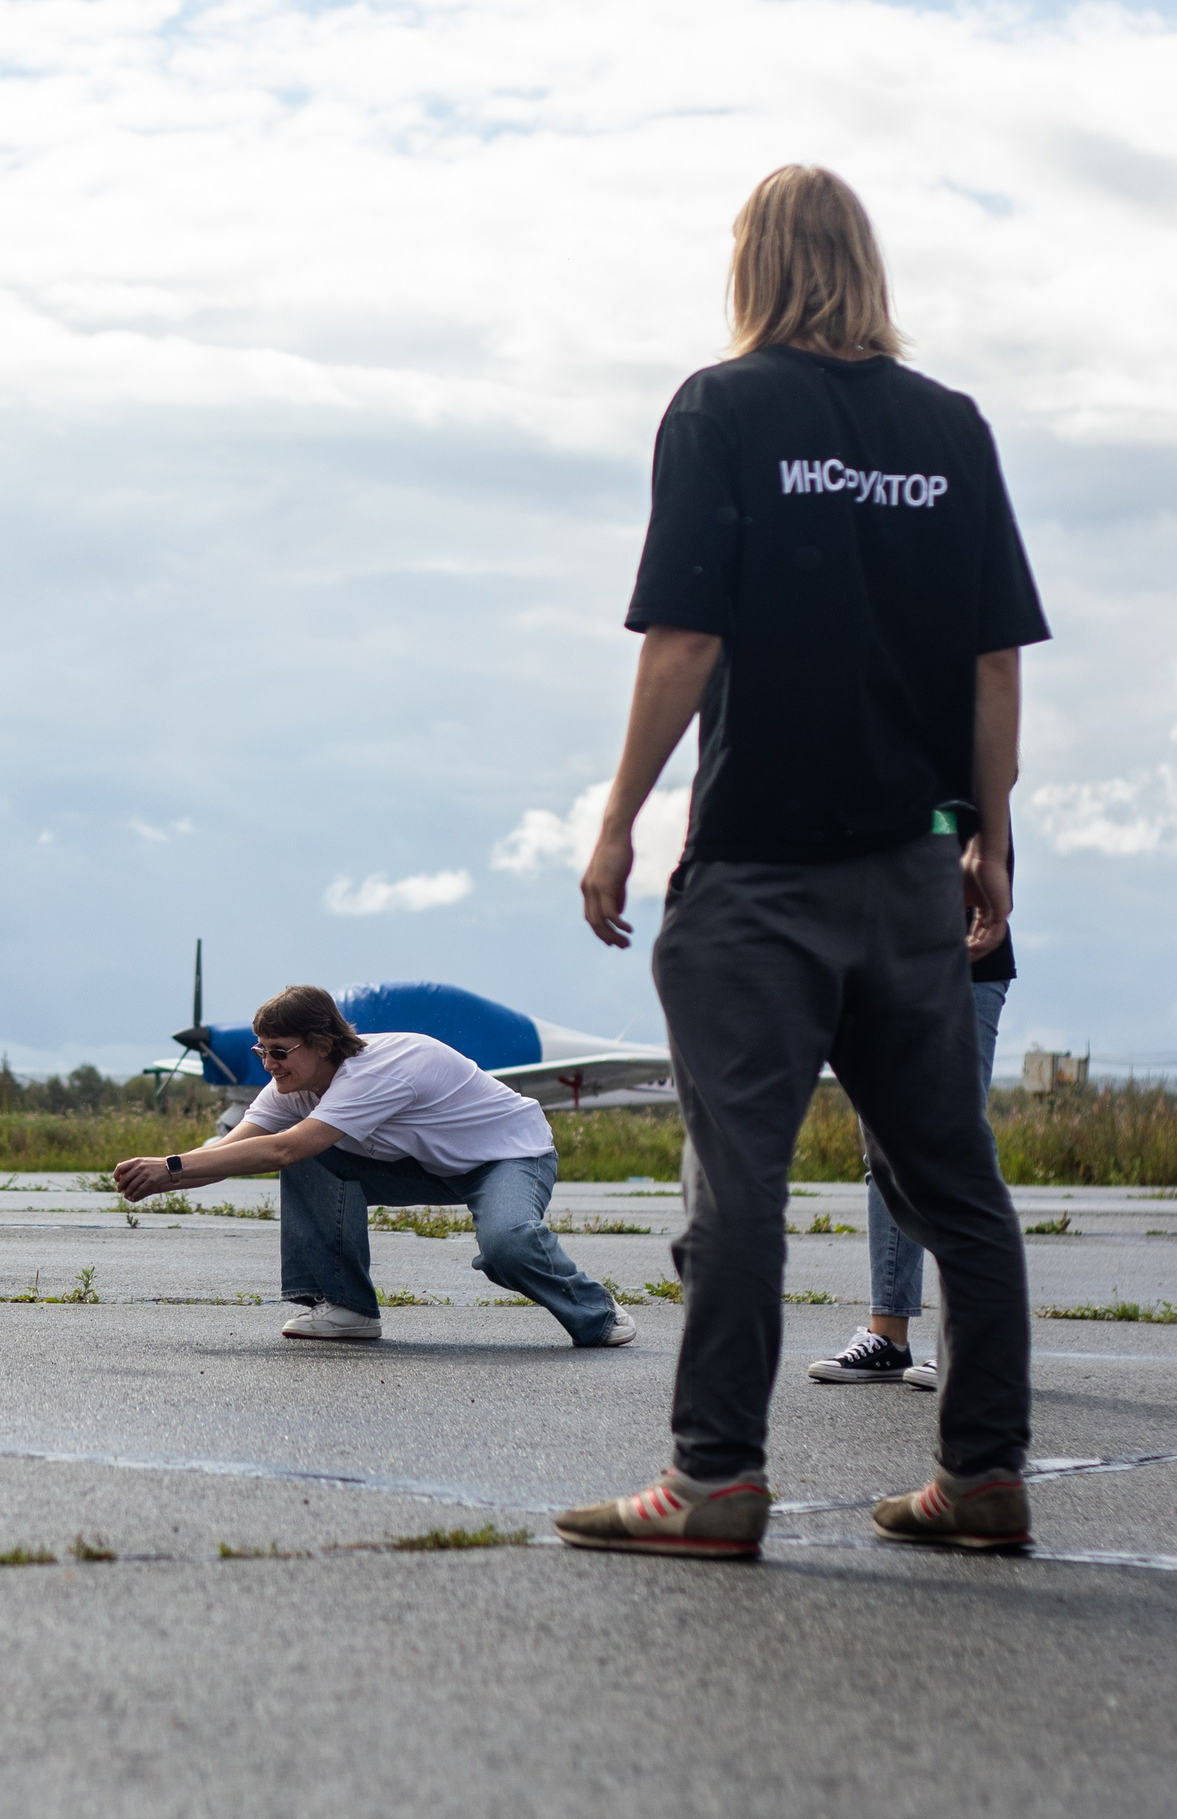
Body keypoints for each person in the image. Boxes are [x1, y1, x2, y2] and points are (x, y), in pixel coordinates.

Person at [556, 167, 1047, 1561]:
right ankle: (985, 1472)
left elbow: (688, 638)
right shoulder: (950, 427)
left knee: (743, 1189)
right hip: (909, 867)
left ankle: (715, 1479)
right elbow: (992, 661)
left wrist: (618, 818)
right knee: (957, 1183)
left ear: (755, 264)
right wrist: (987, 833)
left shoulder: (722, 408)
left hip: (763, 876)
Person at [113, 984, 635, 1348]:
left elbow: (283, 1151)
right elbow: (235, 1152)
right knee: (307, 1153)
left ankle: (597, 1314)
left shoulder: (378, 1071)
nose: (267, 1065)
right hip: (422, 1164)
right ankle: (347, 1309)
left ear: (321, 1043)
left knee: (508, 1247)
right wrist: (165, 1176)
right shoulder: (290, 1089)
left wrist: (172, 1166)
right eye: (261, 1051)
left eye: (279, 1051)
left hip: (508, 1156)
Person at [809, 899, 1012, 1390]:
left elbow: (988, 842)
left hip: (965, 957)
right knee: (884, 1148)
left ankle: (971, 1341)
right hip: (880, 963)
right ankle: (888, 1338)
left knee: (955, 1147)